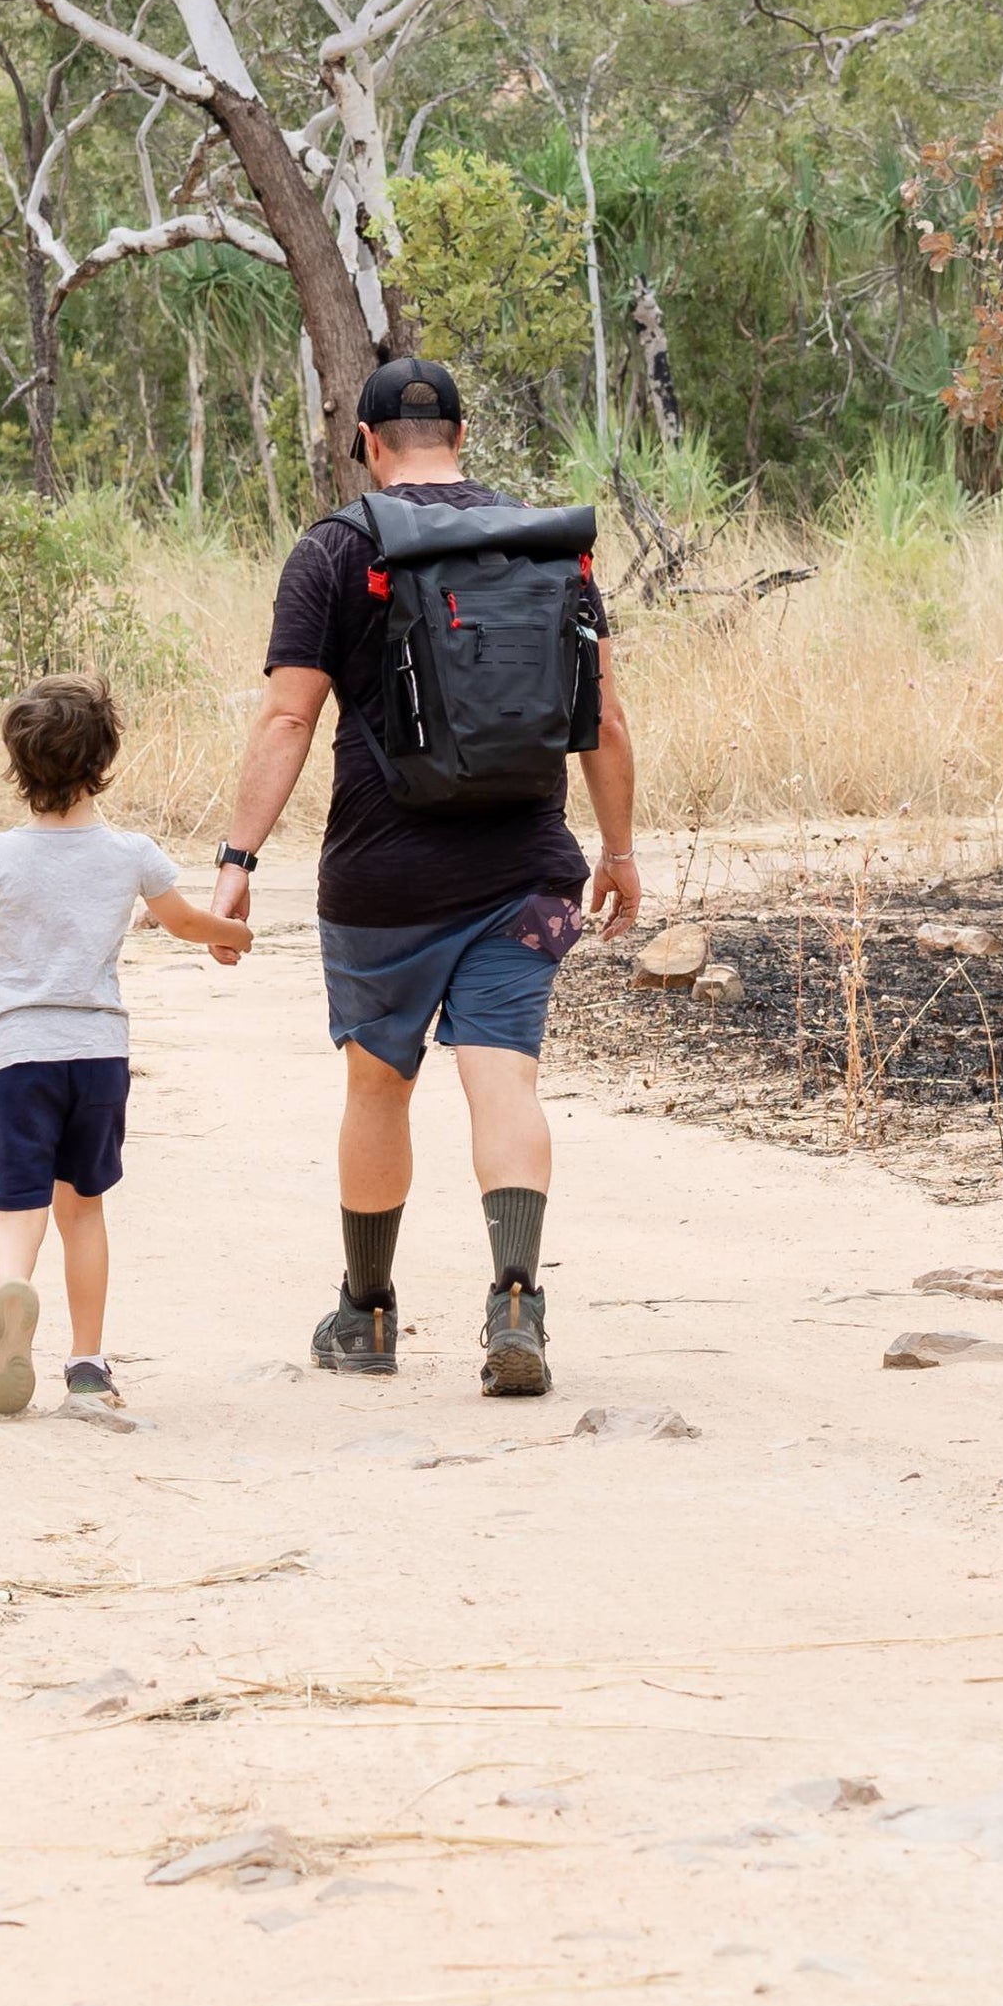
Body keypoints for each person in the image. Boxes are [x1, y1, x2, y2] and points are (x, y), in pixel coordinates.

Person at [208, 358, 640, 1396]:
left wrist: (236, 859)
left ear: (365, 440)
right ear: (461, 431)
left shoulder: (335, 550)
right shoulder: (543, 544)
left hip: (380, 879)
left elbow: (287, 717)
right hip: (528, 867)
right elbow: (606, 719)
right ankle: (518, 1296)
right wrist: (619, 851)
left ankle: (367, 1313)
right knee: (505, 1077)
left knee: (376, 1083)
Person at [0, 672, 252, 1416]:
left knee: (17, 1209)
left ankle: (13, 1288)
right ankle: (89, 1364)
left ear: (18, 765)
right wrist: (236, 934)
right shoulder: (129, 852)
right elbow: (188, 921)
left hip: (18, 1057)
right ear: (104, 758)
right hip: (97, 1059)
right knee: (85, 1208)